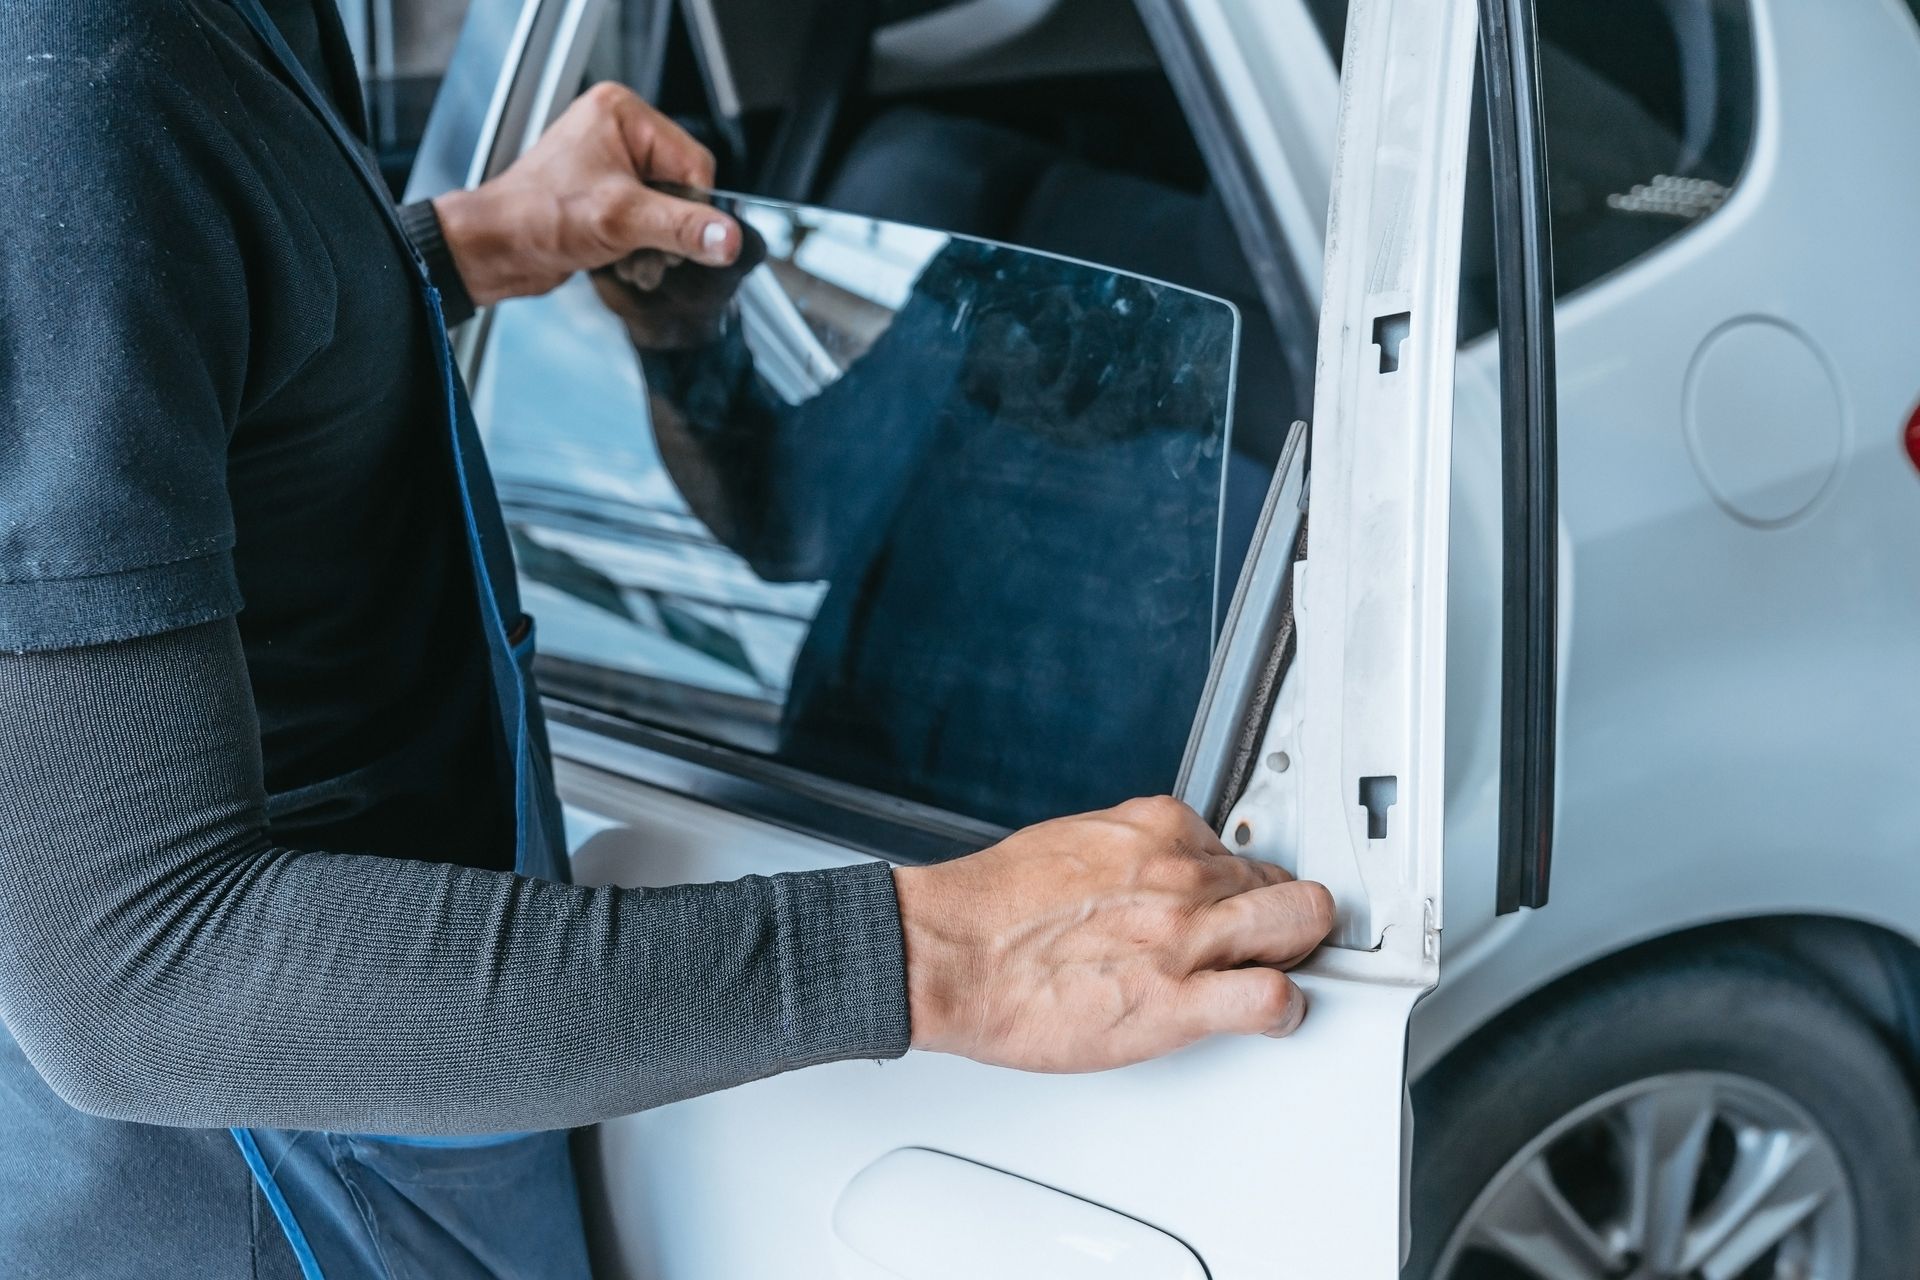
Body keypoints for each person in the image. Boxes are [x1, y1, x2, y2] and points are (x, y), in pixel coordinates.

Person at [0, 3, 1337, 1277]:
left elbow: (162, 357)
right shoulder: (68, 101)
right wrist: (949, 949)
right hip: (271, 1188)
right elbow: (138, 972)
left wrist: (442, 254)